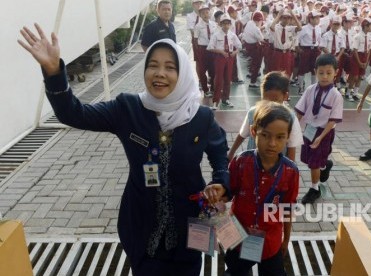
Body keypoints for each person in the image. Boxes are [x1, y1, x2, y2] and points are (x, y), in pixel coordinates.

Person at [18, 24, 229, 275]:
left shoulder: (201, 117)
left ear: (182, 73)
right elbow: (73, 113)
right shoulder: (128, 108)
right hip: (141, 224)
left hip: (191, 224)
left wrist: (220, 182)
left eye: (170, 67)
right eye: (153, 65)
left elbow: (219, 155)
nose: (159, 73)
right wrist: (54, 72)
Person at [226, 101, 299, 276]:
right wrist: (215, 195)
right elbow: (227, 194)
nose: (272, 143)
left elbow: (288, 209)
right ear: (253, 132)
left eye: (280, 137)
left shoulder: (291, 172)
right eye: (265, 135)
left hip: (271, 243)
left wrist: (286, 239)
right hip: (238, 239)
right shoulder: (240, 162)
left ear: (288, 137)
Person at [295, 54, 343, 204]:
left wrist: (320, 137)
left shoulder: (336, 95)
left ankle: (314, 189)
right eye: (321, 73)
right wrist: (292, 129)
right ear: (315, 71)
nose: (324, 77)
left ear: (336, 72)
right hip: (309, 129)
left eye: (329, 73)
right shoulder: (310, 90)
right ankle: (325, 165)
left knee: (313, 162)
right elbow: (300, 112)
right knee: (308, 158)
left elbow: (332, 121)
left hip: (324, 132)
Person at [228, 71, 303, 162]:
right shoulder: (253, 113)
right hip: (253, 163)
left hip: (277, 168)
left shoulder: (291, 118)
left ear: (285, 96)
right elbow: (242, 134)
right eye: (265, 99)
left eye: (275, 100)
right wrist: (231, 153)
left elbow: (291, 148)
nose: (270, 105)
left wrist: (290, 170)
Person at [207, 14, 242, 109]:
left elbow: (239, 46)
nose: (226, 26)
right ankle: (215, 101)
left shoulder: (232, 35)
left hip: (229, 57)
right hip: (220, 57)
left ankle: (225, 99)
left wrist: (235, 52)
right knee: (218, 79)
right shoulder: (216, 35)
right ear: (220, 24)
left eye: (228, 24)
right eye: (224, 23)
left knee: (228, 79)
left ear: (230, 24)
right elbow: (210, 47)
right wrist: (221, 51)